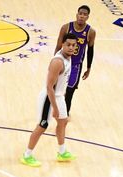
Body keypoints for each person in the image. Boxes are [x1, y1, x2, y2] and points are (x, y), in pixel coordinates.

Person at [20, 33, 78, 168]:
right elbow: (49, 87)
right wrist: (55, 108)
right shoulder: (57, 62)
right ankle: (27, 155)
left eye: (73, 45)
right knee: (42, 125)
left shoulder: (68, 57)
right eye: (68, 45)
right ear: (62, 45)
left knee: (63, 121)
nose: (71, 47)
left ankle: (62, 152)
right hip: (49, 97)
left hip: (59, 96)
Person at [54, 5, 96, 115]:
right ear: (77, 14)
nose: (82, 16)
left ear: (87, 17)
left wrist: (88, 68)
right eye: (80, 14)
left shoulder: (90, 32)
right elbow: (58, 45)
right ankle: (51, 109)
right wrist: (54, 60)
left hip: (76, 65)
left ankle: (65, 113)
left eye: (84, 14)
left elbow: (90, 50)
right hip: (63, 62)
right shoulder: (66, 27)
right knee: (55, 87)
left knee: (70, 90)